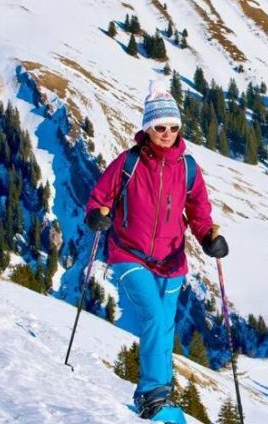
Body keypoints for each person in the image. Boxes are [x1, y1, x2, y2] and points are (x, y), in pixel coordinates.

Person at [85, 81, 229, 420]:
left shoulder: (188, 168)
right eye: (159, 127)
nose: (166, 133)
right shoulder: (128, 163)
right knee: (151, 315)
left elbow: (198, 210)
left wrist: (208, 236)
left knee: (165, 324)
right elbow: (100, 197)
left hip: (172, 260)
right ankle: (152, 395)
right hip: (128, 253)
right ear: (148, 128)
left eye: (172, 127)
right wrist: (96, 215)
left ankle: (160, 396)